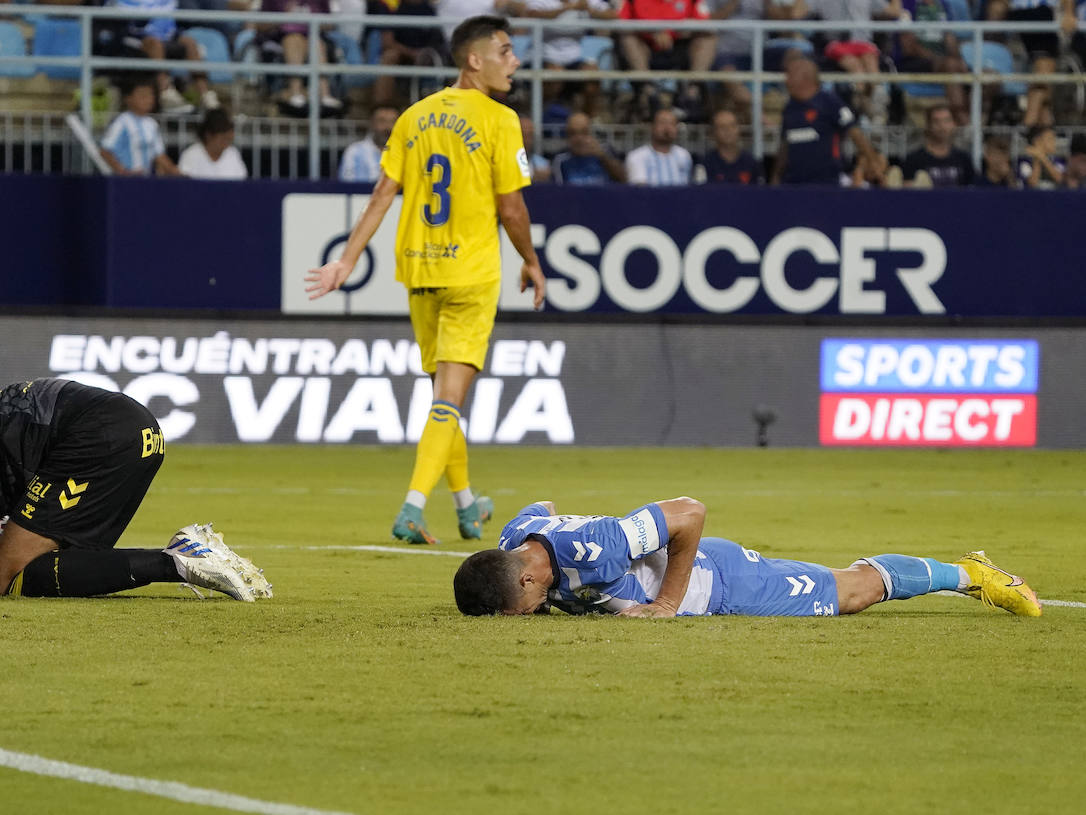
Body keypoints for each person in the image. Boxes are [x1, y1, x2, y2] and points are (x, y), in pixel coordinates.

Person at [304, 15, 546, 545]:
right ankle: (413, 507)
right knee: (450, 401)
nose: (516, 62)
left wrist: (346, 260)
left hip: (418, 269)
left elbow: (381, 194)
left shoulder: (414, 116)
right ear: (474, 59)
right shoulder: (500, 119)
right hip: (471, 273)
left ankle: (465, 504)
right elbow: (512, 208)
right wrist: (530, 259)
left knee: (443, 396)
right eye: (506, 51)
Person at [0, 378, 271, 601]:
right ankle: (185, 558)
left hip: (95, 436)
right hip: (139, 432)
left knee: (5, 578)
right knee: (56, 566)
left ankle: (175, 560)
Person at [453, 497, 1044, 618]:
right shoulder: (518, 535)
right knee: (847, 587)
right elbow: (543, 505)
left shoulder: (600, 548)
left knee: (853, 593)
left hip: (723, 583)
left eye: (521, 606)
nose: (525, 616)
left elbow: (688, 512)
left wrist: (666, 602)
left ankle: (973, 574)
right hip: (709, 578)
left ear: (529, 575)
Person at [771, 55, 887, 185]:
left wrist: (873, 162)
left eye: (789, 75)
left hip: (826, 182)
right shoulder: (790, 108)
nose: (786, 80)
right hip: (793, 182)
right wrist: (776, 175)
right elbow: (784, 145)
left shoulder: (831, 103)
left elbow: (855, 132)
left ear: (804, 76)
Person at [101, 0, 220, 114]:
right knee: (155, 45)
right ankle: (165, 93)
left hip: (166, 37)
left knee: (190, 43)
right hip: (134, 38)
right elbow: (119, 17)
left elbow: (170, 21)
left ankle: (205, 95)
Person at [615, 0, 717, 121]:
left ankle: (692, 93)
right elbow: (621, 23)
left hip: (679, 45)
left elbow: (704, 22)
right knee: (627, 38)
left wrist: (674, 32)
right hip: (645, 47)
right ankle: (649, 93)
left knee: (708, 38)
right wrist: (652, 32)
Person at [984, 0, 1077, 127]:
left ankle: (1042, 133)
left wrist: (1068, 12)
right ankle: (1028, 128)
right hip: (1032, 12)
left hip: (1038, 13)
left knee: (1044, 79)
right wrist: (1069, 12)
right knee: (1043, 75)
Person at [259, 0, 346, 115]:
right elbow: (260, 25)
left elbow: (330, 24)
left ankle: (325, 94)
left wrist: (313, 18)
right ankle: (295, 92)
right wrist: (283, 16)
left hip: (313, 36)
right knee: (294, 39)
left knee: (316, 43)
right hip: (281, 39)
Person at [896, 0, 969, 125]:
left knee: (987, 76)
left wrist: (958, 59)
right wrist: (941, 60)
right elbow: (909, 46)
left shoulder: (943, 5)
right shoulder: (906, 4)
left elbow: (950, 37)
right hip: (912, 61)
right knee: (951, 66)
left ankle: (975, 123)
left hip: (944, 61)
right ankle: (963, 121)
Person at [99, 75, 182, 176]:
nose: (148, 99)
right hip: (125, 181)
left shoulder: (152, 124)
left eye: (151, 95)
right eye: (143, 95)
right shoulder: (122, 122)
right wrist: (122, 171)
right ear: (128, 98)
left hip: (144, 180)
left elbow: (159, 155)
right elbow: (105, 150)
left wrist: (176, 172)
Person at [369, 0, 446, 107]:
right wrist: (412, 53)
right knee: (389, 56)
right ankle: (383, 109)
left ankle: (436, 109)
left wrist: (423, 54)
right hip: (401, 55)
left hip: (426, 56)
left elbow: (437, 42)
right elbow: (387, 42)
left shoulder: (430, 7)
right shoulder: (391, 5)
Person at [900, 103, 974, 187]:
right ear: (928, 125)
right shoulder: (913, 160)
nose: (942, 126)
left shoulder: (963, 159)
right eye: (936, 121)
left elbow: (972, 190)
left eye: (947, 120)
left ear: (954, 124)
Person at [550, 112, 627, 185]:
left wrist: (603, 157)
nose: (579, 138)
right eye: (573, 133)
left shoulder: (606, 151)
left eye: (584, 132)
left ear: (591, 133)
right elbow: (558, 192)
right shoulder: (560, 159)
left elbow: (624, 180)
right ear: (567, 137)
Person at [694, 108, 763, 184]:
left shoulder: (751, 163)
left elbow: (759, 192)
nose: (728, 130)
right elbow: (699, 192)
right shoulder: (704, 163)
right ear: (713, 132)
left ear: (739, 129)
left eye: (732, 126)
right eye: (722, 127)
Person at [625, 107, 692, 186]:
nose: (667, 128)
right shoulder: (637, 156)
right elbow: (640, 191)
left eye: (672, 124)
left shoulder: (684, 155)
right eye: (662, 123)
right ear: (652, 127)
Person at [178, 108, 249, 179]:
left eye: (228, 139)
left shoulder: (233, 154)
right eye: (223, 137)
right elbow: (185, 184)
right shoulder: (192, 154)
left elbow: (241, 183)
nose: (226, 142)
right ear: (208, 135)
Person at [338, 104, 400, 182]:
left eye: (393, 121)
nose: (388, 127)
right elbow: (346, 187)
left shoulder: (407, 152)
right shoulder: (354, 152)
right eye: (382, 121)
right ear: (372, 123)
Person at [1018, 124, 1066, 189]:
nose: (1054, 142)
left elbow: (1060, 179)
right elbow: (1032, 184)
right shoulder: (1024, 160)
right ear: (1037, 141)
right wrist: (1037, 159)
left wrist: (1042, 157)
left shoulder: (1057, 159)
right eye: (1050, 139)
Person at [519, 113, 553, 182]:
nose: (526, 140)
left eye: (530, 135)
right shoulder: (503, 163)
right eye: (522, 135)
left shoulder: (543, 165)